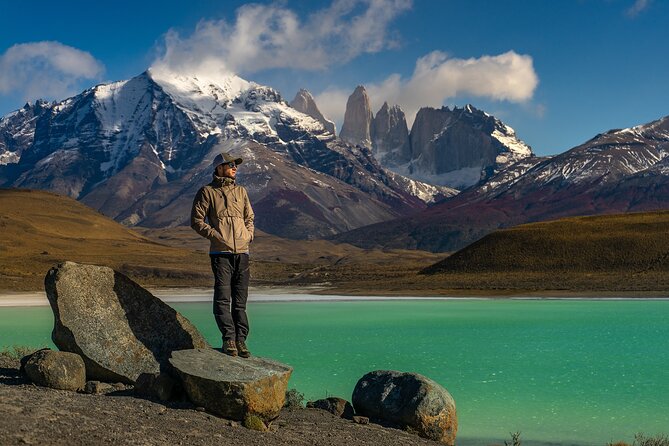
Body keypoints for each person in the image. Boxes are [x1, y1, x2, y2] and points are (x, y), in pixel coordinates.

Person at [190, 152, 255, 357]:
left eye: (236, 165)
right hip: (220, 254)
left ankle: (241, 340)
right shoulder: (207, 192)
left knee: (240, 301)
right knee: (222, 298)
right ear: (219, 168)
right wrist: (216, 237)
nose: (234, 167)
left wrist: (248, 236)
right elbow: (197, 221)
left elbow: (249, 217)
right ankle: (228, 339)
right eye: (230, 165)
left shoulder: (241, 191)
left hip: (242, 253)